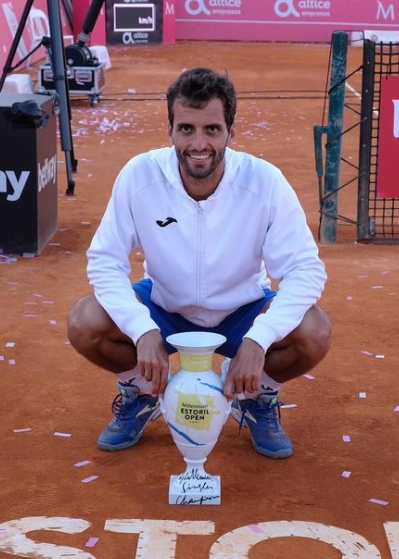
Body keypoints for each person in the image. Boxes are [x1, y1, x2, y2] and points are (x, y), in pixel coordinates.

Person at [67, 67, 330, 459]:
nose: (199, 143)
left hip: (241, 309)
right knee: (85, 322)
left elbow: (305, 269)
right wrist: (141, 330)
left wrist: (260, 338)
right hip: (165, 308)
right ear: (171, 130)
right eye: (187, 128)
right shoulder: (139, 175)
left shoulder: (265, 181)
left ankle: (256, 395)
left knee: (314, 332)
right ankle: (141, 391)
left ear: (231, 132)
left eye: (212, 129)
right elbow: (105, 260)